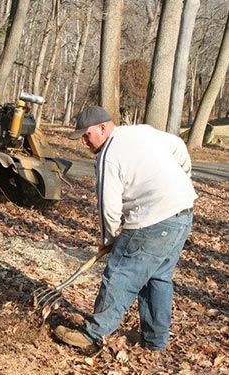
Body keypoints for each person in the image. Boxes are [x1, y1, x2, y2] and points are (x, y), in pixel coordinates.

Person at [55, 106, 197, 352]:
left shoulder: (108, 155)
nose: (84, 142)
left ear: (103, 127)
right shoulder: (141, 131)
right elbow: (178, 147)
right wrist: (182, 178)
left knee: (120, 273)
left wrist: (107, 239)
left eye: (87, 135)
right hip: (183, 212)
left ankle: (92, 333)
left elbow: (108, 206)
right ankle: (155, 342)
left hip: (153, 220)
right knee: (159, 278)